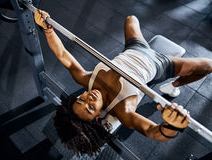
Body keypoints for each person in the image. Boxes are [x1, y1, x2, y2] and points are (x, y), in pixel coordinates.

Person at [34, 10, 212, 157]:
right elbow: (152, 131)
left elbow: (63, 55)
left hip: (135, 48)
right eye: (90, 107)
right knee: (208, 66)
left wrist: (47, 28)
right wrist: (172, 126)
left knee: (130, 18)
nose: (89, 98)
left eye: (81, 100)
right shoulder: (122, 109)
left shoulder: (86, 79)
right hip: (160, 64)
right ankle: (173, 86)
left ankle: (172, 85)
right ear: (98, 116)